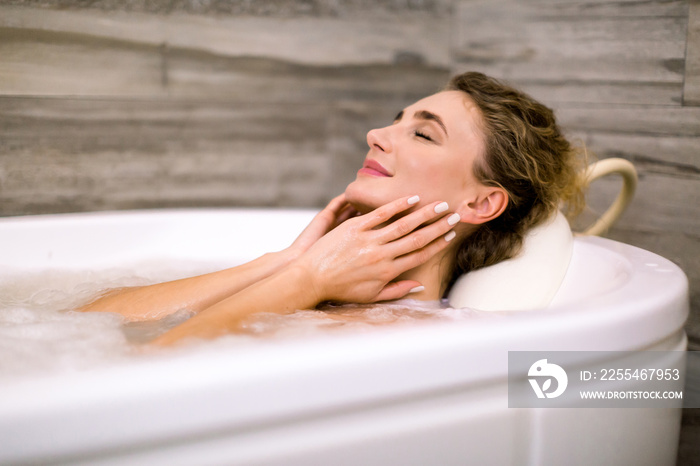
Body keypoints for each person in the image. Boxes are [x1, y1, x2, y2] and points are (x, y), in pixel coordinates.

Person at [80, 71, 586, 345]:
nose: (376, 135)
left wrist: (307, 281)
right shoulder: (317, 285)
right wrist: (288, 263)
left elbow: (136, 377)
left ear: (481, 202)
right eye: (396, 119)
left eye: (422, 133)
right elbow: (82, 324)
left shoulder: (407, 338)